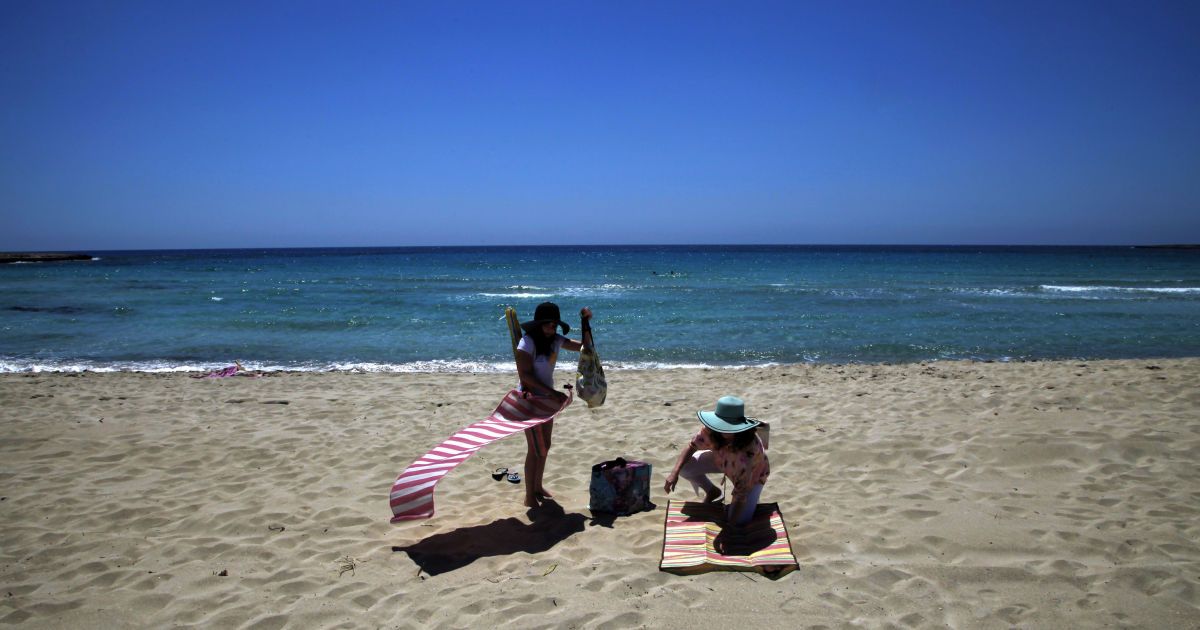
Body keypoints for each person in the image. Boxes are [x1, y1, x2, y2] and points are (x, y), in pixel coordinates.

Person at [515, 301, 593, 507]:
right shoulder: (527, 343)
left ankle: (538, 486)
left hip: (547, 400)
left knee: (545, 446)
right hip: (529, 399)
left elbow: (586, 348)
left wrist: (585, 323)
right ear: (539, 324)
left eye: (555, 324)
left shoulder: (556, 340)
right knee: (535, 448)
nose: (552, 328)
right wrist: (552, 393)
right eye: (548, 324)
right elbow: (525, 376)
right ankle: (529, 496)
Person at [663, 395, 770, 531]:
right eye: (721, 425)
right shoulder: (711, 430)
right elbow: (691, 446)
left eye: (729, 427)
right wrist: (674, 473)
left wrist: (730, 526)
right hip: (722, 461)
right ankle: (712, 491)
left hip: (752, 473)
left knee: (738, 522)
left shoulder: (747, 452)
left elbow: (740, 493)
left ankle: (753, 500)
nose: (723, 430)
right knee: (686, 467)